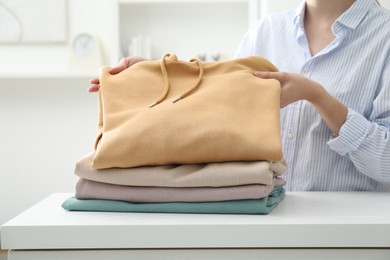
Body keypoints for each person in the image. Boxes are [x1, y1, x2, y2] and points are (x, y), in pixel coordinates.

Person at [89, 0, 390, 191]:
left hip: (348, 227)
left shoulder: (384, 36)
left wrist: (318, 97)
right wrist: (151, 75)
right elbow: (219, 108)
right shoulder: (266, 30)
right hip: (263, 216)